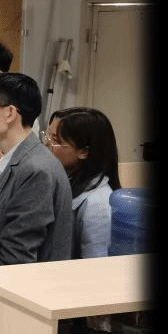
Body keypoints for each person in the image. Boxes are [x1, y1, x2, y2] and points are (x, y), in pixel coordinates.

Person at [0, 72, 74, 270]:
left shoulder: (36, 169)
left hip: (6, 286)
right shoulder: (15, 160)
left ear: (10, 113)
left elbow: (15, 257)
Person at [44, 107, 121, 258]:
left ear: (84, 152)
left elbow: (96, 265)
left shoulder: (98, 204)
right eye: (48, 136)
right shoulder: (66, 179)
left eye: (55, 140)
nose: (47, 144)